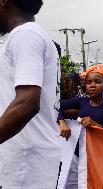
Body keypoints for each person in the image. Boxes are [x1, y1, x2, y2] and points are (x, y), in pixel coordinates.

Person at [0, 0, 61, 188]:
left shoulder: (25, 35)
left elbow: (27, 103)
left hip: (24, 164)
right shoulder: (27, 35)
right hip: (25, 161)